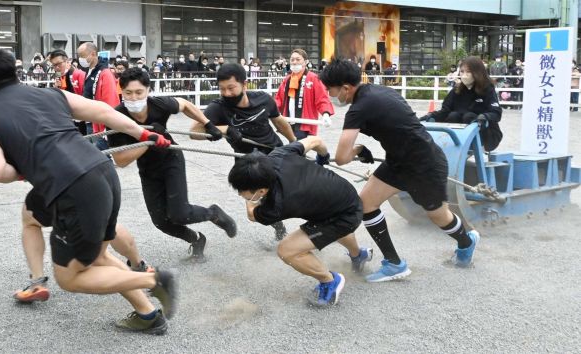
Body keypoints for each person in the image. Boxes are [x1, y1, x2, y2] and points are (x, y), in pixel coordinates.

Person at [0, 48, 177, 332]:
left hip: (72, 189)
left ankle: (154, 281)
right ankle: (148, 314)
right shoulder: (49, 94)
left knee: (71, 278)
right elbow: (103, 110)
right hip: (101, 172)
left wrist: (25, 167)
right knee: (35, 217)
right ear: (14, 73)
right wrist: (143, 133)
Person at [320, 58, 480, 282]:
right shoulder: (379, 91)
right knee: (366, 204)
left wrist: (358, 149)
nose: (331, 95)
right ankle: (394, 264)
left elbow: (342, 157)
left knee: (438, 216)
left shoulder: (358, 108)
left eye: (331, 90)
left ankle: (466, 242)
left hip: (424, 165)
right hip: (399, 161)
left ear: (346, 87)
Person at [107, 68, 237, 260]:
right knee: (161, 221)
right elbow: (121, 160)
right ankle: (196, 239)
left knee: (180, 213)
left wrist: (208, 124)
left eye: (138, 92)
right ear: (121, 92)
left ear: (147, 91)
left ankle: (213, 213)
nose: (134, 98)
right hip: (148, 169)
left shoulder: (158, 104)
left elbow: (184, 105)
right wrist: (149, 140)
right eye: (128, 93)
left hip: (170, 159)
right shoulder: (116, 118)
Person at [228, 137, 373, 306]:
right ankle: (359, 255)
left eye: (241, 191)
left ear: (261, 190)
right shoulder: (279, 154)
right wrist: (323, 157)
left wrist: (250, 200)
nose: (239, 194)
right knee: (331, 225)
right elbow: (316, 141)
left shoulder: (276, 205)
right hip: (345, 195)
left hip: (343, 216)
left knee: (287, 250)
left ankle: (329, 280)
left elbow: (252, 215)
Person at [192, 63, 296, 240]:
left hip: (274, 153)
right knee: (255, 210)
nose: (226, 94)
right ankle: (279, 227)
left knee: (288, 194)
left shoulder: (263, 99)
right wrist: (224, 129)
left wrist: (295, 144)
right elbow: (194, 133)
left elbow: (279, 122)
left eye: (231, 88)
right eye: (222, 89)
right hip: (247, 162)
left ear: (244, 85)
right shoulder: (218, 107)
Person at [14, 189, 152, 303]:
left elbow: (0, 172)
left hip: (72, 178)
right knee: (107, 225)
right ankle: (139, 267)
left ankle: (37, 282)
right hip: (104, 171)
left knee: (29, 218)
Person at [420, 56, 503, 152]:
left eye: (468, 72)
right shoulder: (457, 90)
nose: (464, 75)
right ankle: (454, 146)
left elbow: (496, 112)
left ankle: (477, 148)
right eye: (462, 71)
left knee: (469, 116)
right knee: (453, 115)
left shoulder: (487, 89)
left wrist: (484, 117)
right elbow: (445, 110)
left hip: (487, 134)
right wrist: (430, 116)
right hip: (458, 136)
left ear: (477, 72)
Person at [275, 49, 334, 140]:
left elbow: (322, 98)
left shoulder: (313, 78)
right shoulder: (287, 80)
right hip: (288, 120)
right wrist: (269, 109)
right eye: (292, 60)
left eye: (298, 59)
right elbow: (279, 99)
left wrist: (325, 113)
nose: (294, 62)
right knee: (298, 146)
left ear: (306, 62)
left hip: (305, 122)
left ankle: (323, 153)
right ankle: (323, 154)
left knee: (298, 146)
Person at [77, 42, 119, 150]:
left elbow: (110, 100)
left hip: (99, 122)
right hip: (90, 120)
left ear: (93, 54)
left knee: (100, 156)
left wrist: (108, 125)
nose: (80, 59)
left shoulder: (105, 73)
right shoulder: (90, 71)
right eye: (79, 56)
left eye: (82, 56)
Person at [49, 49, 87, 134]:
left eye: (59, 64)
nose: (57, 67)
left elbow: (85, 96)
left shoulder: (79, 74)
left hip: (81, 117)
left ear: (67, 61)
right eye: (54, 65)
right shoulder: (59, 76)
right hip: (66, 116)